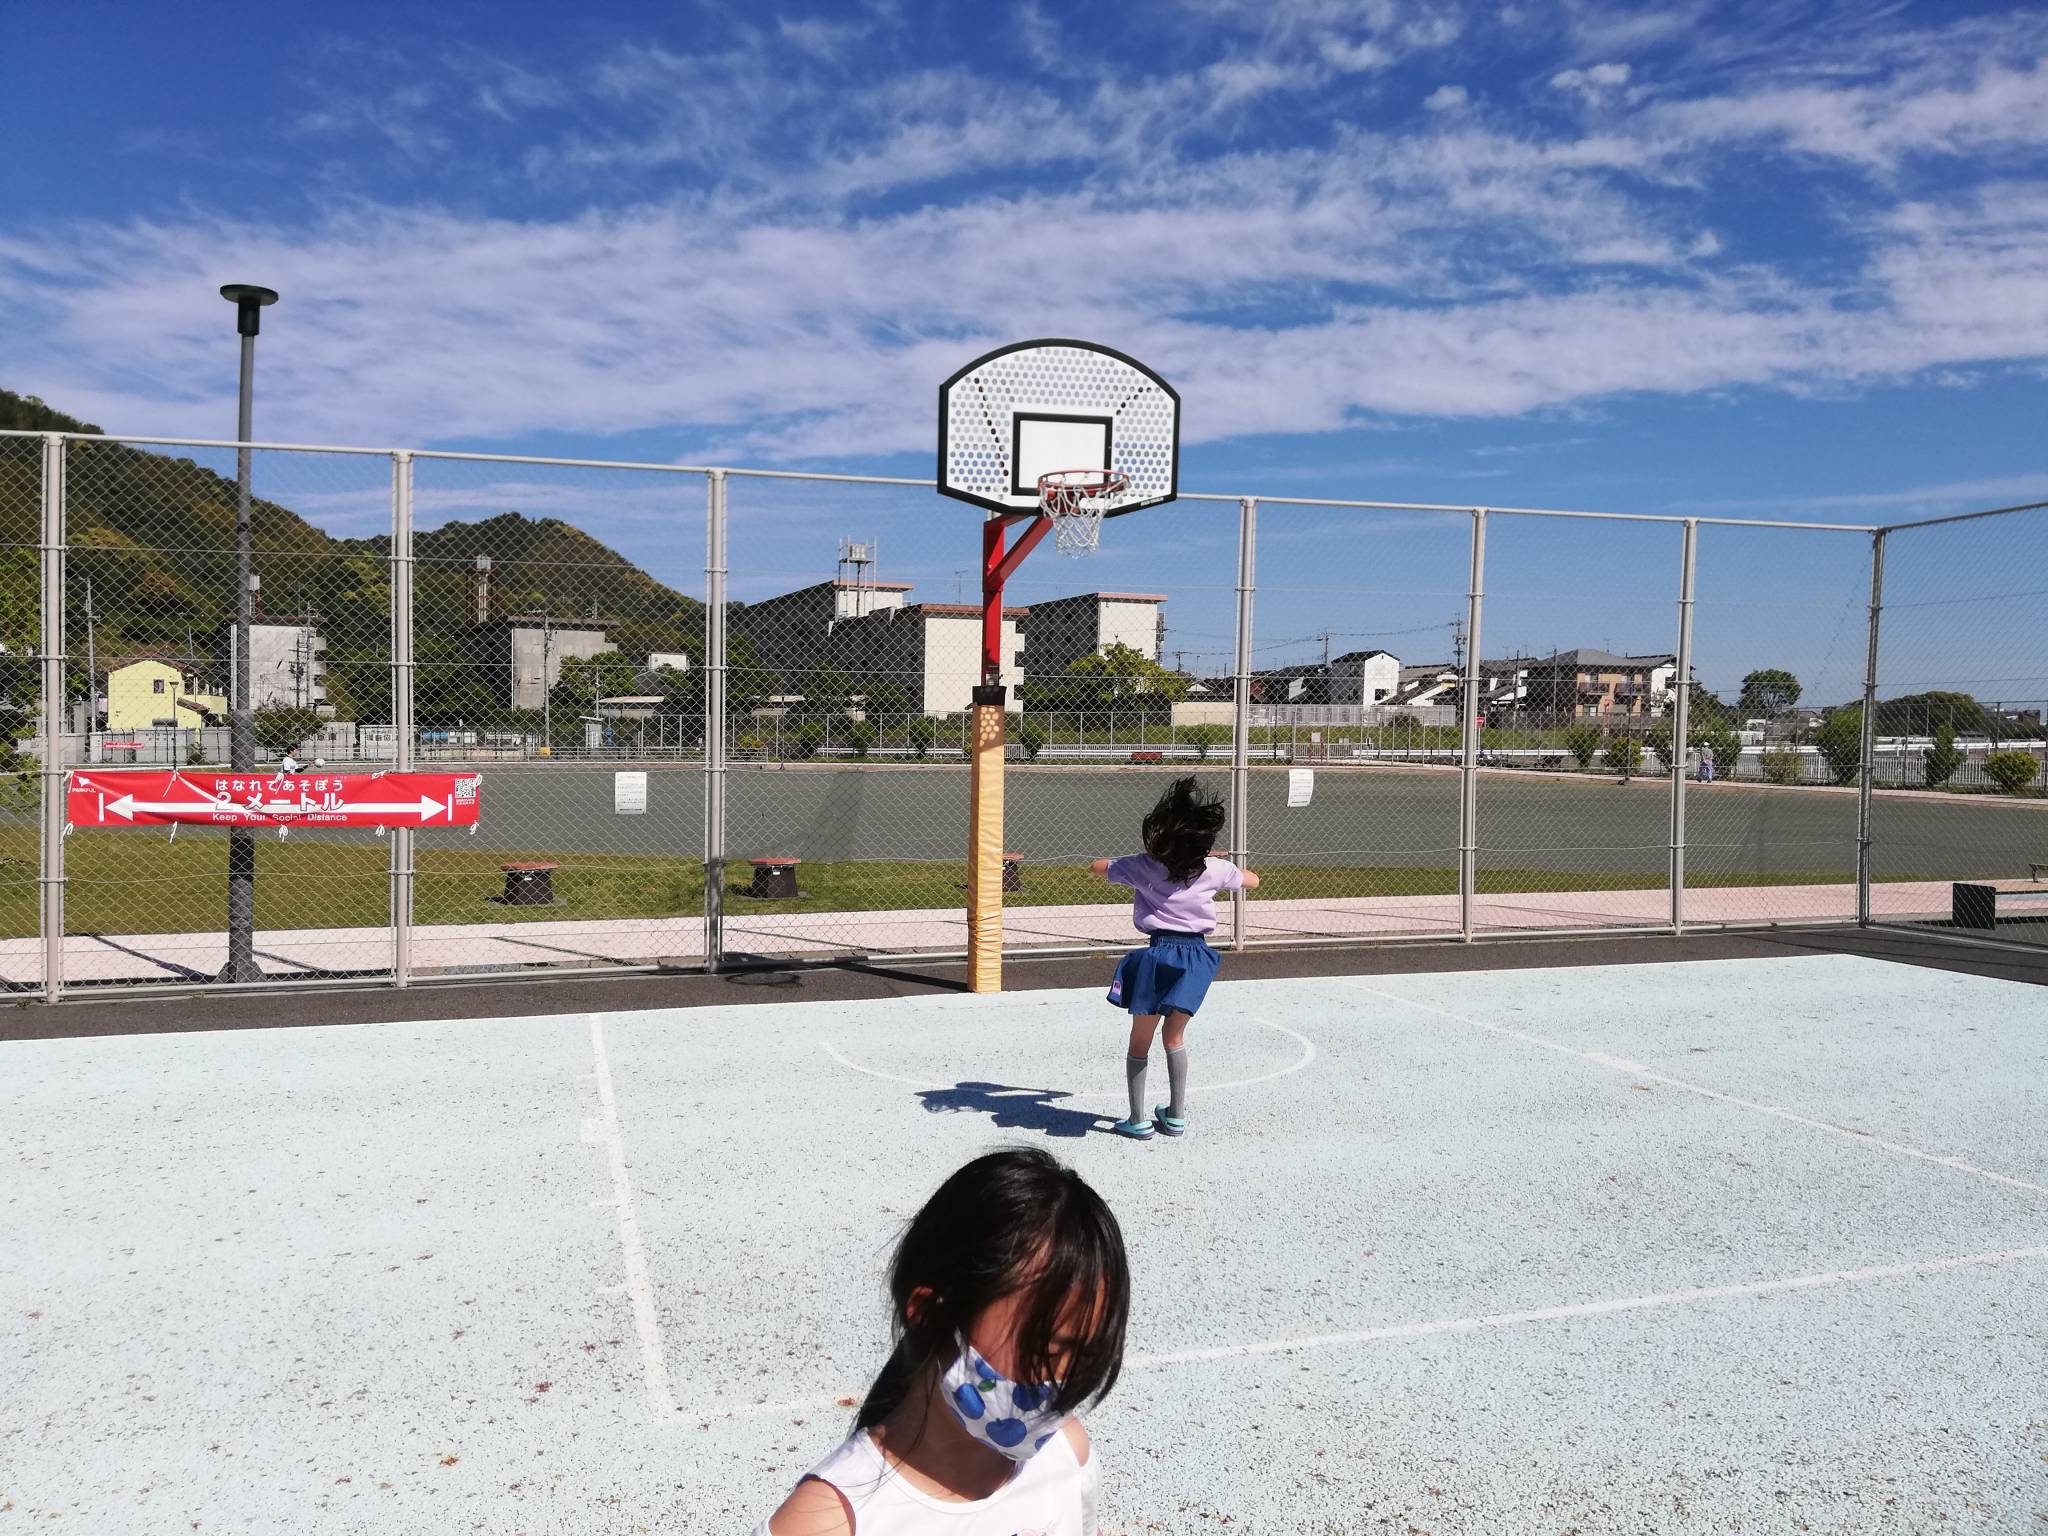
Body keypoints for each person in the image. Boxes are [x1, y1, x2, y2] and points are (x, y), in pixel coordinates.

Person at [754, 1148, 1129, 1536]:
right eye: (1047, 1350)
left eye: (1087, 1354)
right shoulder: (825, 1524)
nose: (1063, 1381)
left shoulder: (1067, 1456)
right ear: (930, 1314)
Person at [1091, 776, 1259, 1141]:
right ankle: (1176, 1115)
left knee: (1140, 1039)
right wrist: (1214, 863)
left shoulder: (1144, 866)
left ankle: (1138, 1119)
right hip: (1197, 957)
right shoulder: (1214, 869)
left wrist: (1141, 863)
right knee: (1175, 1035)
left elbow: (1098, 866)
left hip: (1158, 954)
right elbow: (1253, 880)